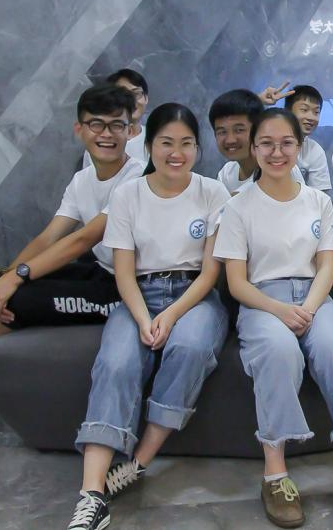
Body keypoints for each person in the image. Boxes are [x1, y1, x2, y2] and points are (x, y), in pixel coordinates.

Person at [0, 84, 143, 408]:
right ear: (79, 129)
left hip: (130, 289)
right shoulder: (83, 180)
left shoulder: (137, 178)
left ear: (130, 131)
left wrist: (15, 279)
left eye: (116, 125)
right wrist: (6, 279)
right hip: (102, 272)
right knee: (4, 287)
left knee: (17, 295)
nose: (106, 134)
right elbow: (48, 238)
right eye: (96, 124)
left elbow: (83, 239)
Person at [67, 103, 230, 530]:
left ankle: (137, 463)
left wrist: (171, 315)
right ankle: (92, 495)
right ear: (149, 145)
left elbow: (210, 272)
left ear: (197, 148)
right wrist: (143, 319)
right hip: (138, 294)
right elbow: (123, 271)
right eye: (166, 143)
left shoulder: (213, 192)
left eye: (186, 144)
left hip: (194, 298)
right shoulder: (128, 195)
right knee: (116, 362)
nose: (176, 153)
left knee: (190, 347)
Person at [215, 109, 333, 527]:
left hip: (315, 297)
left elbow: (326, 268)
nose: (276, 152)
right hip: (262, 300)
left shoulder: (317, 201)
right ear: (253, 149)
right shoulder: (238, 207)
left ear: (299, 148)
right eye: (266, 143)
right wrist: (281, 310)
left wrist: (308, 308)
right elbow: (236, 283)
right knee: (279, 352)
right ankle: (275, 474)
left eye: (286, 143)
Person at [210, 89, 303, 195]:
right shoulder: (226, 173)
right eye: (222, 132)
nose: (230, 140)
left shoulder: (280, 165)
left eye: (239, 130)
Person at [82, 69, 149, 167]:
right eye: (123, 95)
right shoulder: (98, 143)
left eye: (136, 94)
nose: (132, 101)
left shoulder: (157, 138)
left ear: (146, 98)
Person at [284, 85, 333, 194]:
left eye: (316, 112)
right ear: (287, 112)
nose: (311, 117)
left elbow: (320, 197)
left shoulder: (315, 150)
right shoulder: (269, 144)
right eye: (304, 110)